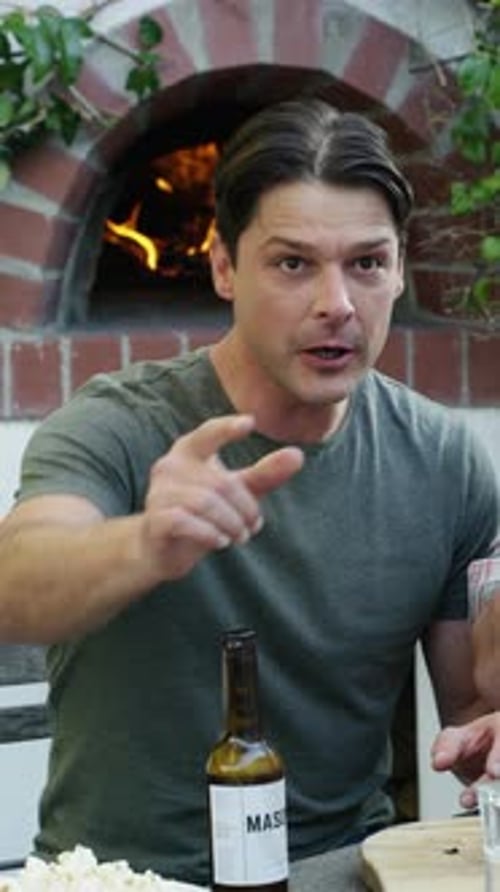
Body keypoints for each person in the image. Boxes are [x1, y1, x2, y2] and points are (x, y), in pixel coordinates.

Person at [0, 97, 498, 889]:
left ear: (400, 267)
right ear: (224, 265)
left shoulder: (442, 460)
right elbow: (17, 588)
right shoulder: (116, 425)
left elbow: (474, 708)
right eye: (293, 263)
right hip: (129, 879)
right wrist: (146, 542)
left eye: (366, 263)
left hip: (345, 870)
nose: (336, 302)